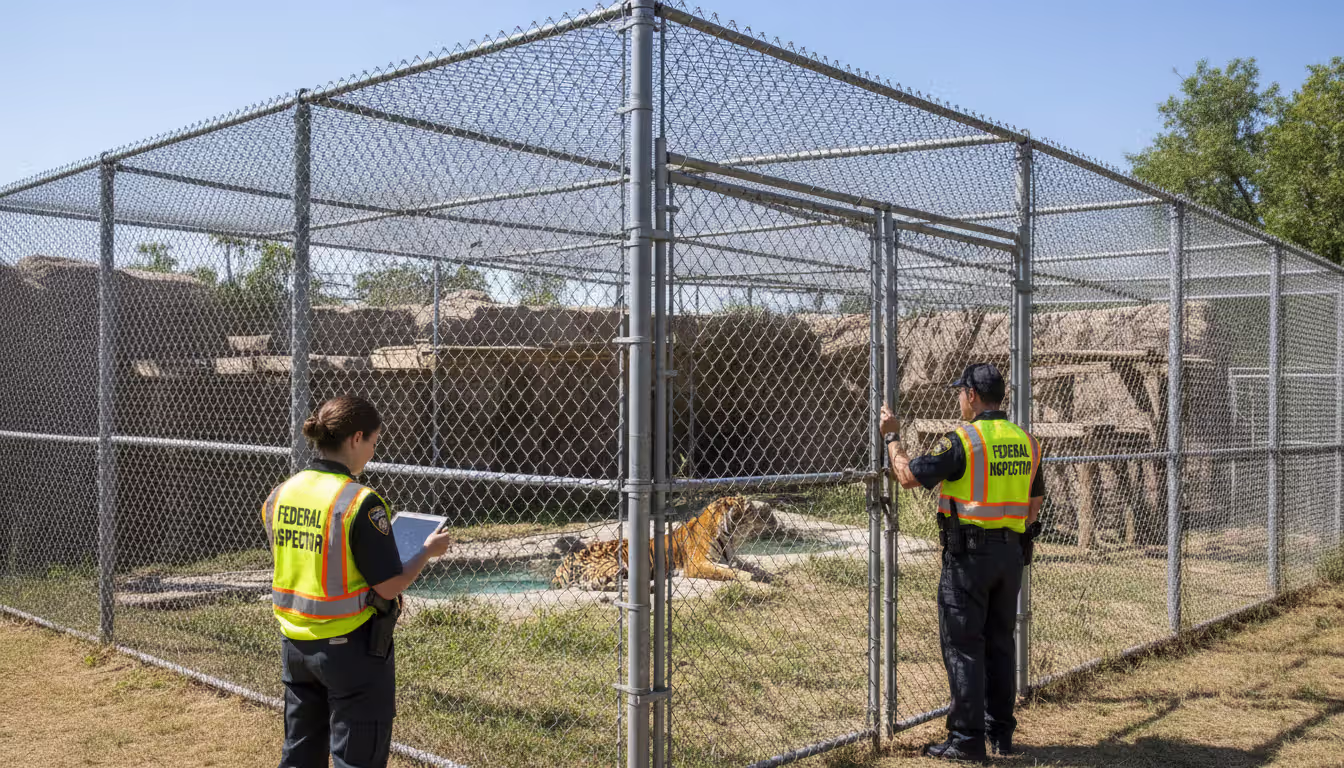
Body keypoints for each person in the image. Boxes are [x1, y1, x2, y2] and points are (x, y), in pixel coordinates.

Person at [262, 395, 454, 768]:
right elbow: (387, 587)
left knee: (300, 752)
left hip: (295, 645)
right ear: (355, 438)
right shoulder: (360, 502)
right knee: (356, 757)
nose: (372, 453)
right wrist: (426, 553)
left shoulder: (281, 493)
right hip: (349, 650)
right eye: (373, 443)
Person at [881, 363, 1044, 762]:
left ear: (971, 395)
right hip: (1011, 555)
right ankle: (999, 734)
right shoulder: (1026, 440)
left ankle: (966, 741)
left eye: (960, 392)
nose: (958, 398)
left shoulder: (964, 441)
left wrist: (892, 438)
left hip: (969, 558)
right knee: (1001, 643)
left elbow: (907, 476)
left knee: (964, 646)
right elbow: (1035, 502)